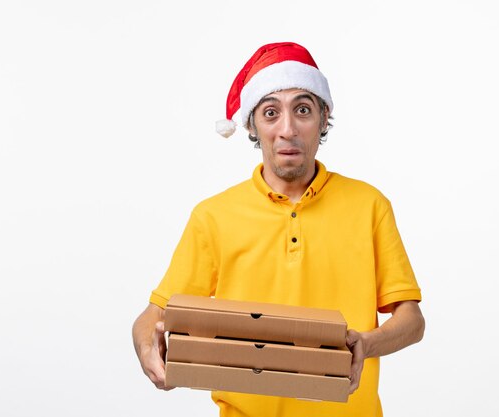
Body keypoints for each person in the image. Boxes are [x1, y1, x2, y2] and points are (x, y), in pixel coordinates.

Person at [132, 42, 425, 417]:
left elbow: (411, 320)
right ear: (252, 125)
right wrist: (148, 350)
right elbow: (153, 315)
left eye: (302, 110)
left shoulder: (370, 205)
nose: (288, 129)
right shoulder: (214, 216)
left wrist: (366, 343)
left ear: (323, 118)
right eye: (271, 113)